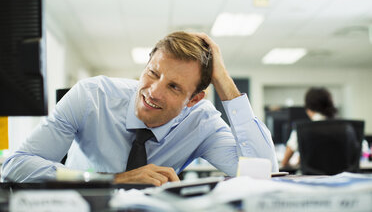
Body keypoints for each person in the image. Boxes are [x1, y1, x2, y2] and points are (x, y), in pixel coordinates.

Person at [1, 32, 278, 186]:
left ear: (193, 100)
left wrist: (224, 81)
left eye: (174, 87)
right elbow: (15, 165)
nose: (153, 92)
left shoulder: (201, 122)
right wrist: (117, 179)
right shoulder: (92, 97)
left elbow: (264, 170)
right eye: (153, 73)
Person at [281, 87, 337, 167]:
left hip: (311, 178)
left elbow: (284, 162)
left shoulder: (301, 129)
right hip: (339, 178)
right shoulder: (345, 129)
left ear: (308, 108)